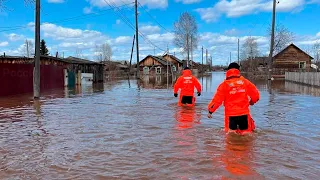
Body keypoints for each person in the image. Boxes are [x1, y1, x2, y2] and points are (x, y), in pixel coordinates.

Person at [207, 62, 260, 134]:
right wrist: (252, 101)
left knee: (230, 135)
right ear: (238, 70)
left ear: (228, 71)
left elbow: (217, 100)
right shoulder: (245, 82)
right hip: (244, 114)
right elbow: (256, 95)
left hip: (230, 115)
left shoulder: (224, 85)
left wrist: (210, 111)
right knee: (246, 134)